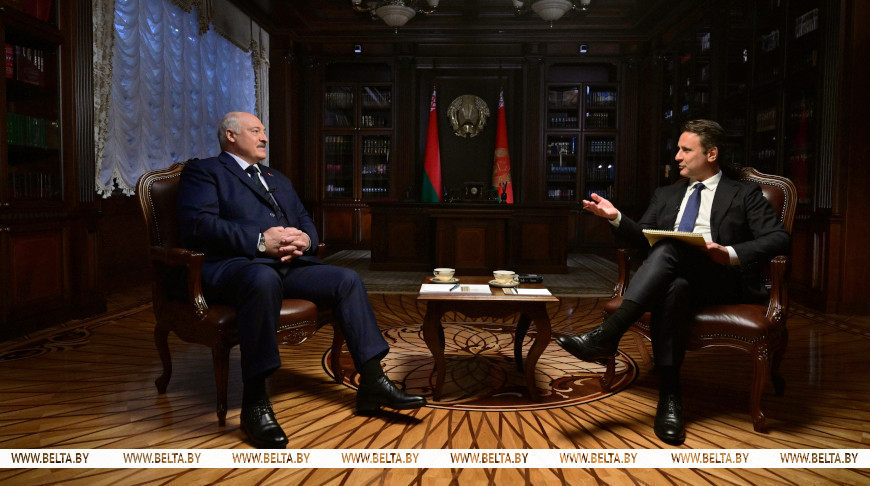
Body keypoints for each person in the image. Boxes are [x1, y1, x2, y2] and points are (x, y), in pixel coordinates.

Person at [178, 111, 426, 449]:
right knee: (262, 279)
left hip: (288, 266)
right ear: (231, 136)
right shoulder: (204, 172)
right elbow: (199, 226)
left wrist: (306, 241)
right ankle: (255, 403)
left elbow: (305, 219)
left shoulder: (275, 176)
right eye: (256, 131)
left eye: (264, 131)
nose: (264, 137)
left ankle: (372, 382)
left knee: (347, 279)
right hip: (237, 267)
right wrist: (261, 242)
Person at [556, 120, 790, 445]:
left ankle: (608, 334)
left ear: (711, 154)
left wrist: (729, 253)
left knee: (668, 247)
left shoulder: (744, 193)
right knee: (675, 282)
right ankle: (669, 396)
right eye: (678, 149)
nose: (677, 156)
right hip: (676, 280)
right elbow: (643, 240)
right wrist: (616, 218)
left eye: (685, 150)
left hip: (721, 280)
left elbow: (779, 238)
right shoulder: (666, 194)